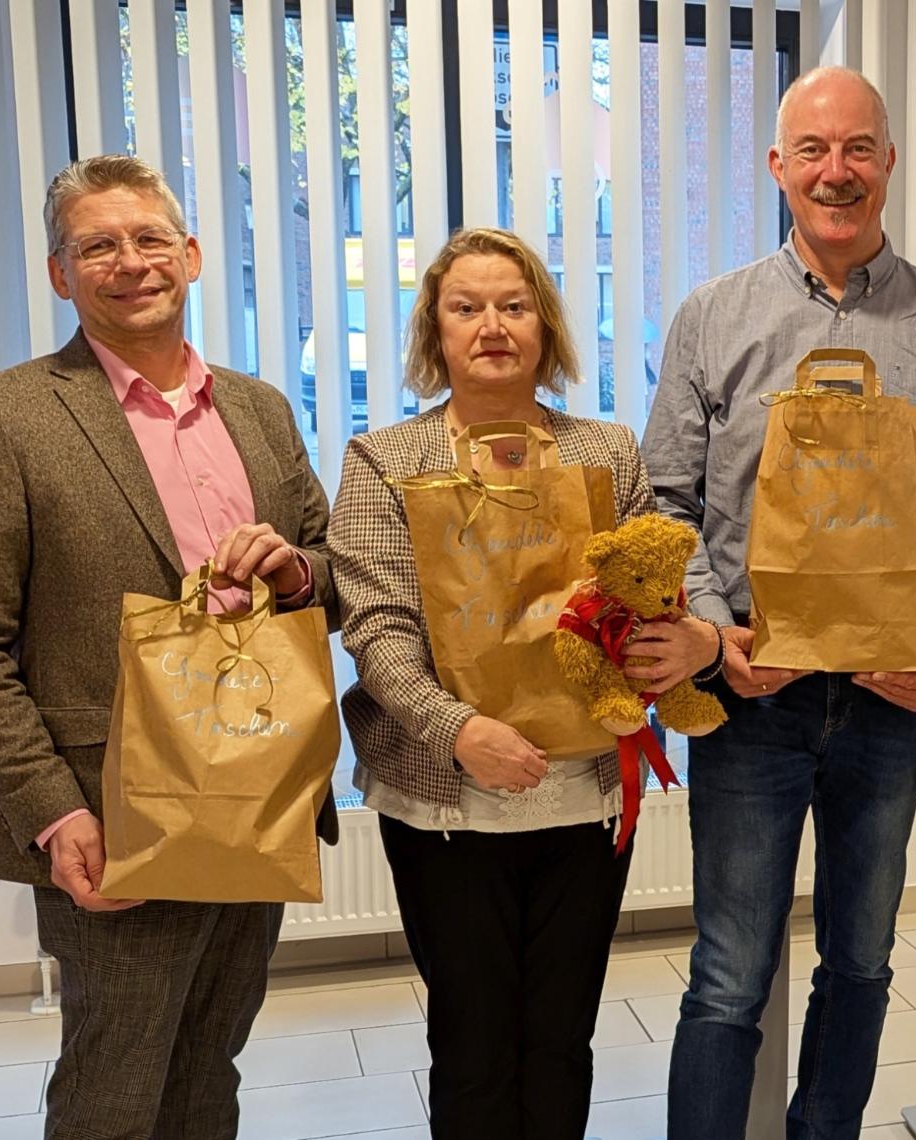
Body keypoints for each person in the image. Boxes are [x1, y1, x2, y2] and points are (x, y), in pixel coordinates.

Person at [642, 66, 916, 1139]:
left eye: (858, 148)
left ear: (889, 162)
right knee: (728, 972)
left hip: (889, 706)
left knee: (860, 961)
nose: (836, 171)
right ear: (777, 168)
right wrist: (717, 639)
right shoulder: (714, 318)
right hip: (751, 702)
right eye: (812, 150)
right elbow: (666, 504)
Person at [0, 154, 337, 1139]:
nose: (131, 261)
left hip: (259, 791)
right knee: (117, 1078)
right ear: (62, 275)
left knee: (210, 1061)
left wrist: (293, 574)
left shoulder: (260, 408)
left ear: (190, 256)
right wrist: (51, 813)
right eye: (97, 245)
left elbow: (332, 566)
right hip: (113, 812)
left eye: (150, 238)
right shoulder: (2, 419)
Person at [329, 227, 722, 1137]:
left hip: (585, 797)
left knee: (559, 1038)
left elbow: (647, 589)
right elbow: (378, 627)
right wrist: (457, 728)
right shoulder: (385, 460)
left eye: (513, 305)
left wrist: (686, 640)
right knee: (472, 1041)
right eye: (466, 308)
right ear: (436, 330)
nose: (492, 326)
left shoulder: (607, 452)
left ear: (544, 325)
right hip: (445, 804)